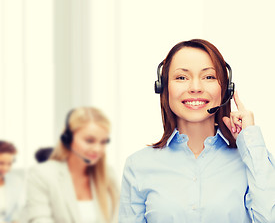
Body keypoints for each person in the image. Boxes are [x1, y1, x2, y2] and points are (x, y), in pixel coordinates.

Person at [118, 39, 275, 223]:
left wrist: (250, 141)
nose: (195, 88)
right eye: (182, 78)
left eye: (208, 77)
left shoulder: (253, 161)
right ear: (163, 87)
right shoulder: (138, 166)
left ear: (226, 88)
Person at [25, 107, 119, 223]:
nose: (97, 149)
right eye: (89, 140)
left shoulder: (108, 174)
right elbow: (39, 219)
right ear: (68, 139)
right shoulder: (42, 174)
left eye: (103, 142)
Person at [0, 141, 24, 223]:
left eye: (9, 164)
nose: (5, 168)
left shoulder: (15, 182)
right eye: (1, 163)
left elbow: (16, 212)